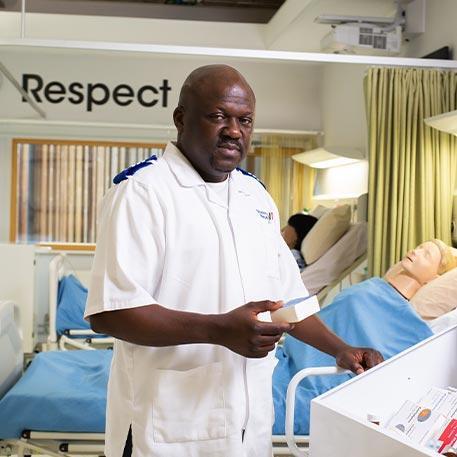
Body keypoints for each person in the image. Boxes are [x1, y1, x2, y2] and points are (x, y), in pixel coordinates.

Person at [84, 64, 383, 457]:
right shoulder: (142, 193)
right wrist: (218, 330)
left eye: (245, 120)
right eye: (218, 116)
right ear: (180, 119)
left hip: (248, 426)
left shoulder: (255, 197)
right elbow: (111, 312)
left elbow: (287, 301)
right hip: (166, 425)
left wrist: (340, 349)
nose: (234, 130)